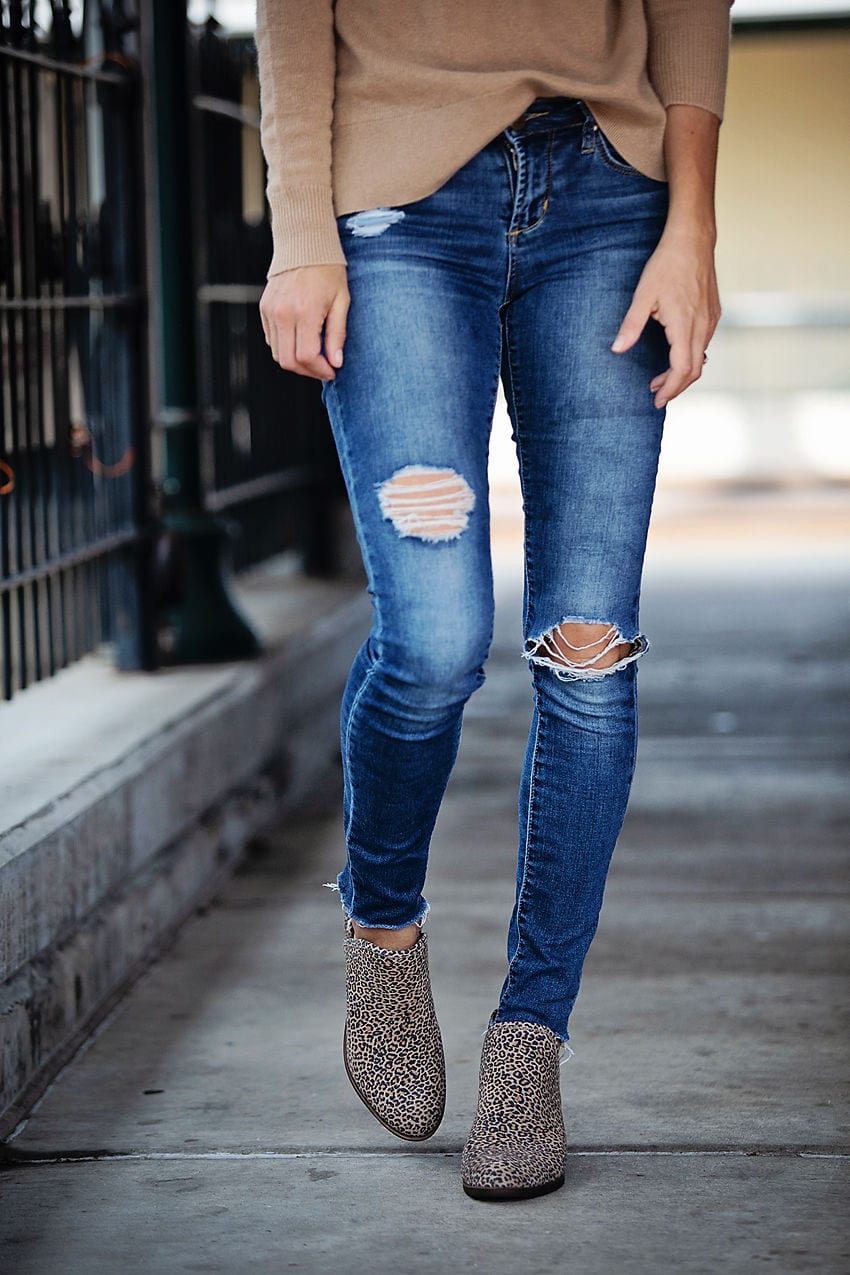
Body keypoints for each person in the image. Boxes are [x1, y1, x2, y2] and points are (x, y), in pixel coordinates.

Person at [255, 1, 732, 1202]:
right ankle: (383, 929)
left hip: (612, 197)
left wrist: (693, 227)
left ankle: (531, 1038)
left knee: (587, 653)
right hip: (399, 210)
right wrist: (300, 232)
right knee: (432, 637)